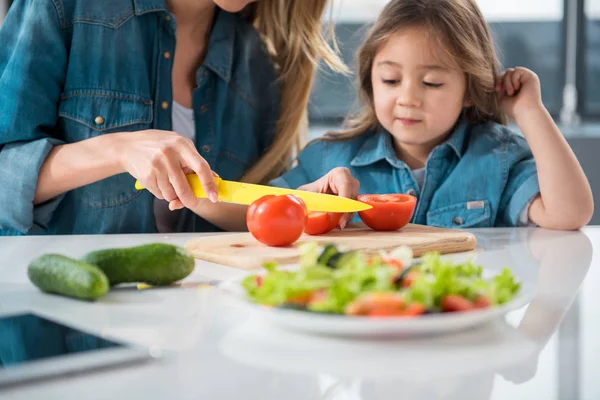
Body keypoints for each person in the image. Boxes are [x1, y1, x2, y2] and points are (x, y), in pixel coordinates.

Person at [0, 0, 347, 235]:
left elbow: (244, 222)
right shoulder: (65, 6)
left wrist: (299, 203)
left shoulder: (256, 64)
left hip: (197, 331)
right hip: (60, 331)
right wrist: (118, 150)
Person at [269, 0, 594, 230]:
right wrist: (306, 197)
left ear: (469, 89)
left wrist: (530, 111)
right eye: (391, 80)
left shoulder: (497, 160)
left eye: (431, 82)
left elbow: (569, 214)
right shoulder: (331, 157)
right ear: (370, 80)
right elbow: (251, 213)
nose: (408, 98)